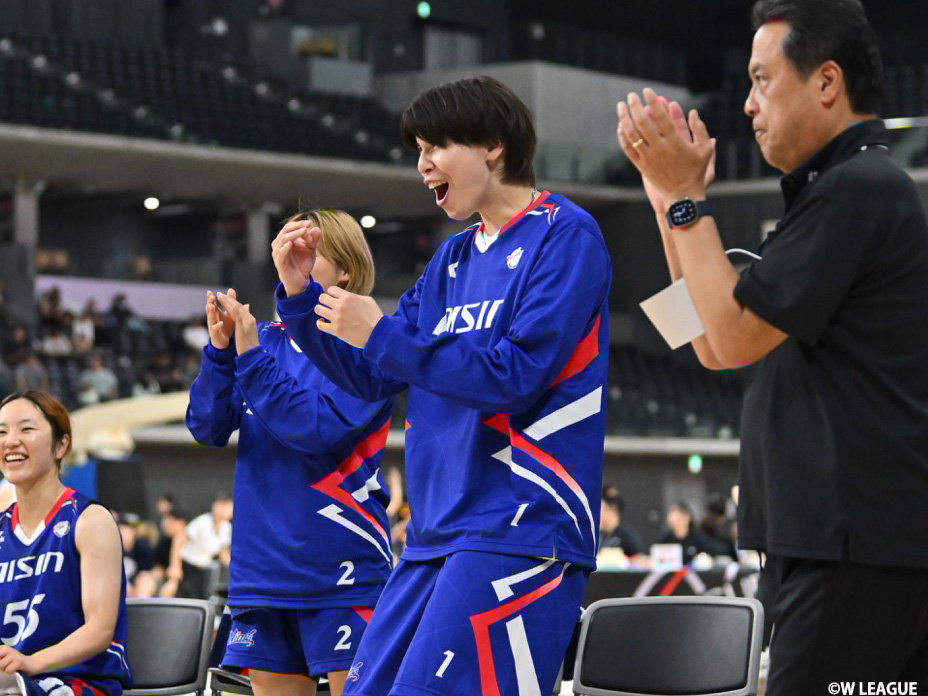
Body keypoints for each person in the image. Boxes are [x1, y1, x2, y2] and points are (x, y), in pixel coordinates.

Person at [616, 0, 928, 692]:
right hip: (842, 545)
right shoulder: (833, 194)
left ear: (826, 82)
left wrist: (686, 201)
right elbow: (703, 343)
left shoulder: (860, 187)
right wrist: (668, 206)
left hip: (852, 547)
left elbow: (729, 338)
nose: (749, 104)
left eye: (762, 80)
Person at [273, 76, 611, 696]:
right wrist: (300, 301)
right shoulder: (451, 260)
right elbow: (373, 375)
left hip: (520, 528)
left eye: (436, 147)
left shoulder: (566, 234)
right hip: (434, 532)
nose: (423, 164)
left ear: (492, 145)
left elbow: (516, 375)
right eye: (419, 150)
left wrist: (383, 333)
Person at [186, 209, 395, 696]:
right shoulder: (261, 343)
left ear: (345, 270)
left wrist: (249, 357)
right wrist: (220, 353)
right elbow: (207, 427)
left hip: (343, 565)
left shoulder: (368, 345)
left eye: (309, 250)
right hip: (263, 569)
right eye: (286, 247)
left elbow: (315, 429)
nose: (292, 259)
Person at [0, 391, 131, 695]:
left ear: (61, 445)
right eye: (2, 432)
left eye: (26, 429)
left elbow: (99, 630)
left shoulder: (89, 520)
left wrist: (31, 662)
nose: (11, 441)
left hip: (79, 681)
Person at [176, 492, 233, 601]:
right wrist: (175, 566)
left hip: (203, 569)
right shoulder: (202, 522)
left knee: (204, 598)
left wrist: (234, 568)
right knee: (189, 598)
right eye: (221, 505)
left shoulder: (226, 527)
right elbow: (178, 540)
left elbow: (222, 551)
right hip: (188, 566)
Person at [658, 501, 729, 565]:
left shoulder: (697, 536)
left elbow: (713, 548)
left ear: (687, 517)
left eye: (678, 517)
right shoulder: (666, 538)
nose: (675, 521)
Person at [598, 486, 648, 566]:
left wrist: (623, 562)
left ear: (612, 509)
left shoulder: (626, 534)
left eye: (601, 509)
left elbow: (640, 558)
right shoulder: (600, 534)